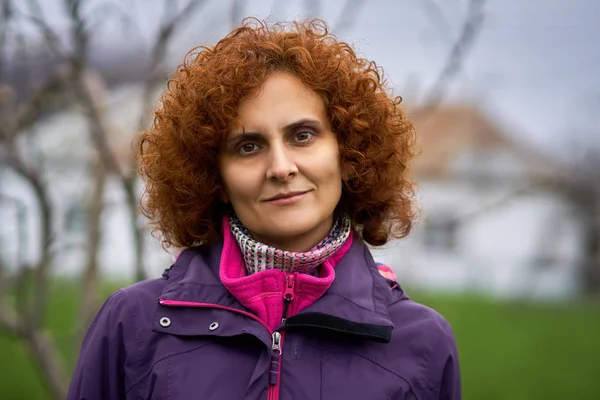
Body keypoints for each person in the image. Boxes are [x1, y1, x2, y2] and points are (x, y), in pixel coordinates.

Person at [67, 18, 460, 400]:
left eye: (302, 136)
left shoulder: (422, 343)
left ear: (348, 153)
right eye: (248, 146)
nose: (281, 167)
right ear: (214, 178)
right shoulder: (133, 324)